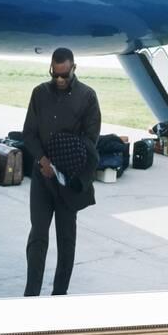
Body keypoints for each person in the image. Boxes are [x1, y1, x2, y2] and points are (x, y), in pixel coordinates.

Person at [22, 47, 101, 296]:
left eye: (63, 75)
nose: (58, 80)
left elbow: (91, 140)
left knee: (66, 241)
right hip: (42, 178)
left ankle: (59, 295)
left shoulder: (88, 96)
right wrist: (43, 161)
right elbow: (29, 133)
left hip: (68, 181)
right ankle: (31, 293)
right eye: (54, 74)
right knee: (38, 237)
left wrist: (64, 163)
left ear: (73, 68)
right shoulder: (39, 93)